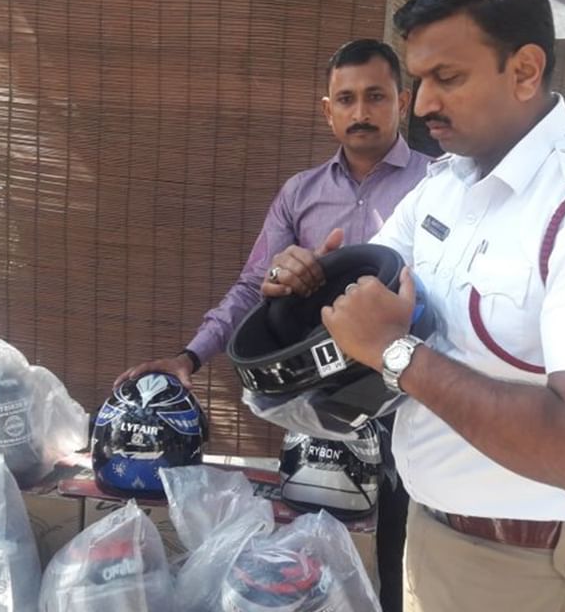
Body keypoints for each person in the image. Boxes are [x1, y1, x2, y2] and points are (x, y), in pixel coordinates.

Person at [264, 0, 565, 612]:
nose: (422, 103)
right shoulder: (450, 185)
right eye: (419, 79)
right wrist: (311, 283)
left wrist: (398, 353)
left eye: (446, 78)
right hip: (436, 534)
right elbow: (369, 288)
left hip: (527, 568)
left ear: (524, 71)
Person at [115, 38, 431, 612]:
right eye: (346, 99)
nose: (360, 113)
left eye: (376, 97)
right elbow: (250, 288)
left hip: (413, 399)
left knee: (402, 561)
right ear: (327, 109)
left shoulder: (439, 187)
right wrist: (190, 357)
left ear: (402, 102)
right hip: (321, 408)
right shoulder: (301, 193)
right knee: (317, 551)